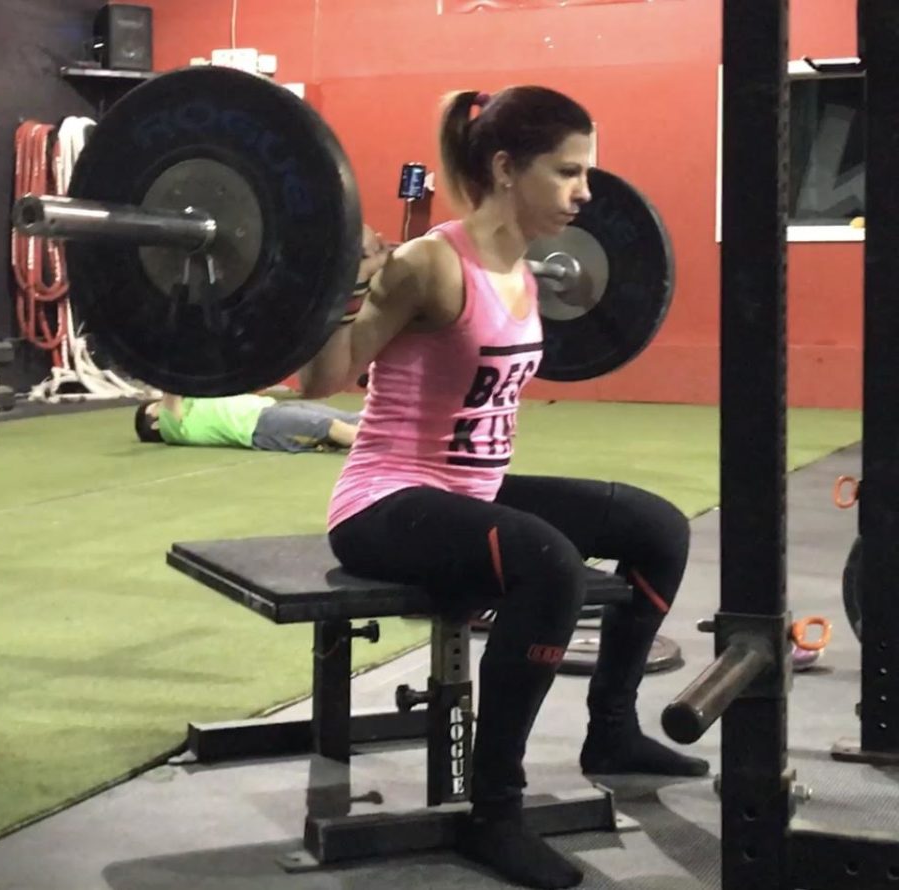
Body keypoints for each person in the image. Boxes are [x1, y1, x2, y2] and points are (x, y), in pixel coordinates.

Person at [299, 86, 709, 890]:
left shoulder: (524, 267)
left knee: (658, 528)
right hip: (384, 500)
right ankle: (495, 812)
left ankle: (612, 732)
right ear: (505, 168)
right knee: (548, 563)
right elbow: (322, 380)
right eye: (567, 172)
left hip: (472, 492)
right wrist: (338, 286)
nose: (585, 192)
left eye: (586, 173)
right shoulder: (428, 265)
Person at [134, 392, 360, 452]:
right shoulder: (172, 430)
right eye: (155, 406)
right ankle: (380, 448)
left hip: (269, 407)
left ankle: (380, 437)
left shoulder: (193, 401)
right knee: (330, 427)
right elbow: (171, 388)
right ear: (154, 423)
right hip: (260, 425)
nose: (159, 402)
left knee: (351, 419)